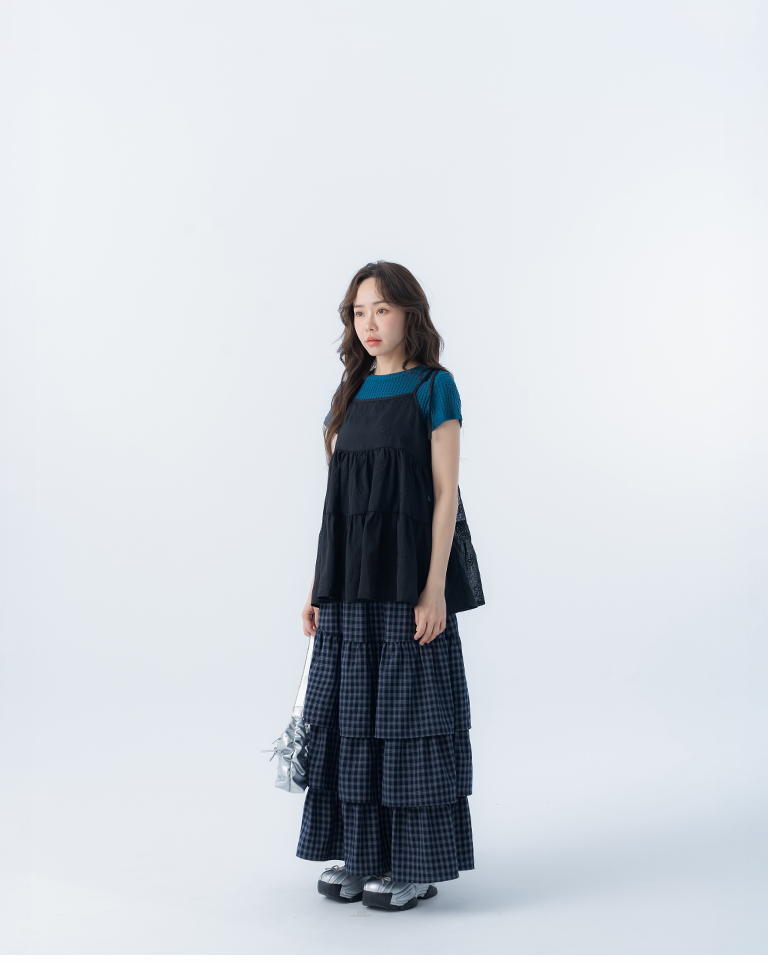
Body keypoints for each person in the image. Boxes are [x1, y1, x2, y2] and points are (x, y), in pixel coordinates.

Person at [296, 260, 485, 912]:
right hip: (348, 584)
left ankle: (413, 866)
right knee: (353, 721)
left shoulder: (435, 387)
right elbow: (339, 504)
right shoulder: (349, 391)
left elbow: (445, 495)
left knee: (407, 721)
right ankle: (361, 854)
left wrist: (434, 590)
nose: (369, 323)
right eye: (358, 311)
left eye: (381, 308)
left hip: (407, 581)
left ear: (409, 312)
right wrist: (316, 586)